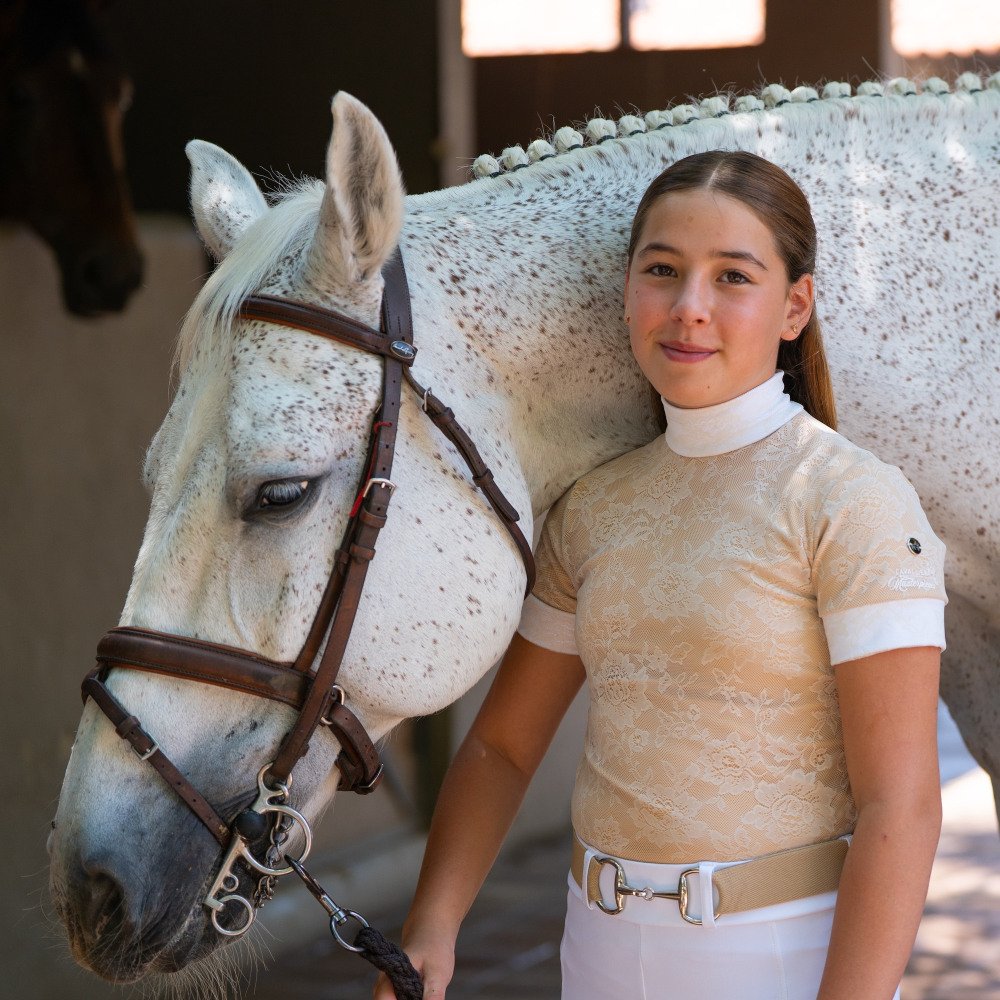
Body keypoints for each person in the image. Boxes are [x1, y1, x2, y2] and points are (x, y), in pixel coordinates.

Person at [374, 150, 946, 1000]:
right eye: (663, 270)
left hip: (779, 956)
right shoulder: (595, 508)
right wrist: (434, 921)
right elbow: (501, 746)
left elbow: (901, 805)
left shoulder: (848, 499)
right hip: (597, 946)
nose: (689, 308)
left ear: (795, 306)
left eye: (733, 277)